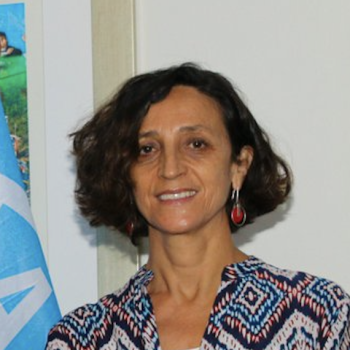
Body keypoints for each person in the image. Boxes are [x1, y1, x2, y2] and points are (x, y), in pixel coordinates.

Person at [46, 63, 350, 350]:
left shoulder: (315, 315)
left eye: (196, 144)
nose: (170, 169)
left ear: (239, 165)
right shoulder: (83, 336)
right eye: (147, 149)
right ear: (123, 174)